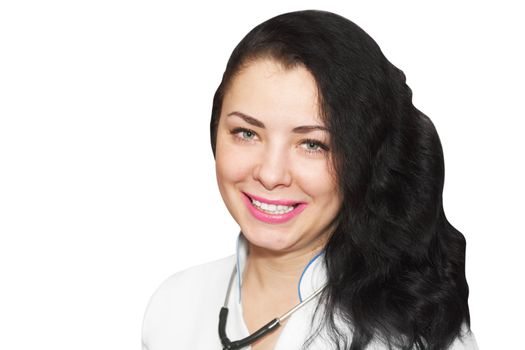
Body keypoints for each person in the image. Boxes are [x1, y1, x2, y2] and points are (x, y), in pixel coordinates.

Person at [141, 9, 478, 350]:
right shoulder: (172, 306)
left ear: (364, 158)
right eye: (246, 132)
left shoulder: (422, 335)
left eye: (312, 144)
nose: (271, 174)